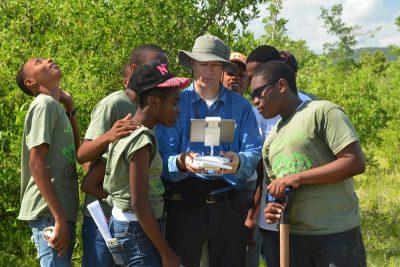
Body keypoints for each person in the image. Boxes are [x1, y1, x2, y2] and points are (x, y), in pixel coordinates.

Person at [156, 34, 262, 267]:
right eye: (203, 63)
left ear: (224, 68)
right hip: (184, 202)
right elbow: (160, 158)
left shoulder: (241, 107)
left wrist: (239, 161)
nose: (209, 71)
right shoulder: (175, 103)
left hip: (229, 204)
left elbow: (254, 150)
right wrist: (181, 162)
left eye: (216, 64)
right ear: (192, 63)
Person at [251, 60, 367, 267]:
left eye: (259, 92)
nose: (255, 101)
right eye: (252, 96)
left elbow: (354, 162)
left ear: (281, 85)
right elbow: (277, 189)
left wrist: (297, 178)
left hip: (335, 235)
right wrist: (272, 207)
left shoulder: (322, 112)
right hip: (293, 237)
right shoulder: (271, 139)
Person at [77, 44, 168, 267]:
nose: (161, 71)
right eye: (156, 66)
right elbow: (83, 155)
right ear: (135, 70)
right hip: (105, 216)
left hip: (134, 218)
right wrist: (109, 135)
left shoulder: (151, 106)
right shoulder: (115, 103)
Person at [103, 60, 190, 266]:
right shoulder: (141, 139)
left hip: (130, 226)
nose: (178, 110)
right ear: (154, 101)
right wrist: (166, 252)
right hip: (136, 230)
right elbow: (139, 203)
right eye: (174, 102)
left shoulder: (126, 129)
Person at [244, 45, 314, 267]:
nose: (254, 83)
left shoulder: (311, 108)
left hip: (310, 217)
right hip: (271, 215)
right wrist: (254, 214)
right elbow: (260, 168)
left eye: (259, 75)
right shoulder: (257, 110)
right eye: (250, 77)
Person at [16, 58, 80, 266]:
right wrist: (59, 219)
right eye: (39, 62)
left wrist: (69, 107)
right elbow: (35, 163)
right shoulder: (44, 104)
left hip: (59, 213)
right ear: (30, 82)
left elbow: (77, 153)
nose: (49, 60)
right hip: (49, 214)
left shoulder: (55, 107)